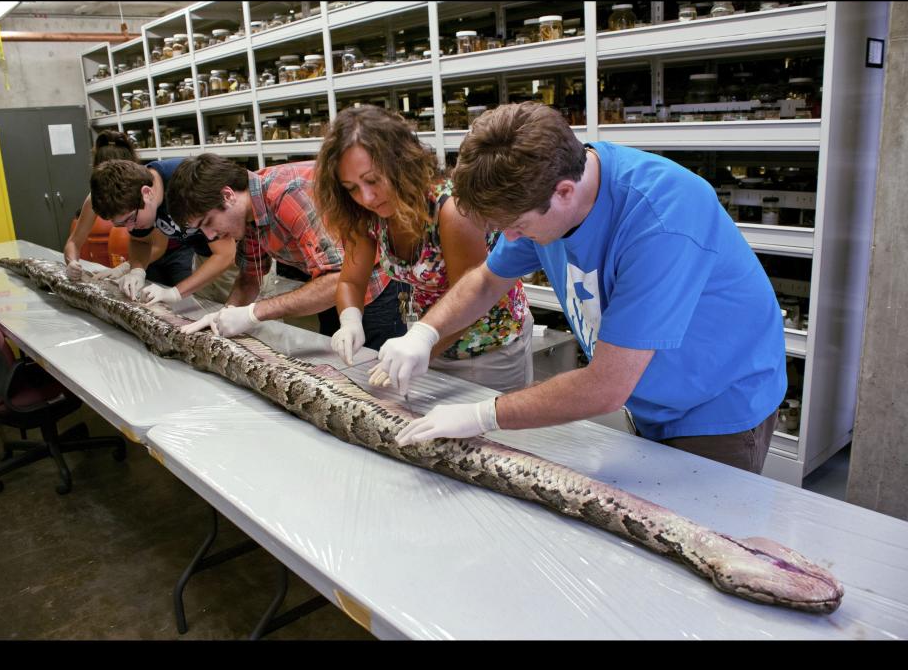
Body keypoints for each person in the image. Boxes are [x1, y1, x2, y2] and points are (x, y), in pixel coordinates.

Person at [379, 102, 787, 474]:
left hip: (718, 405)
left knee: (690, 536)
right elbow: (488, 280)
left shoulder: (663, 220)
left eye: (517, 227)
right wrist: (424, 333)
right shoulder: (544, 190)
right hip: (647, 397)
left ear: (564, 193)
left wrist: (485, 415)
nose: (513, 240)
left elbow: (606, 387)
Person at [314, 104, 533, 392]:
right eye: (351, 188)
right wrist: (350, 320)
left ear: (400, 162)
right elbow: (352, 281)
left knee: (488, 433)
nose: (366, 197)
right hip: (427, 339)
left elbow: (473, 300)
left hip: (487, 346)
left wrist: (421, 346)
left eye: (372, 180)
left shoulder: (451, 210)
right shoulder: (368, 215)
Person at [167, 153, 403, 348]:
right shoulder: (246, 214)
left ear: (227, 196)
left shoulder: (289, 194)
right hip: (330, 296)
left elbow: (337, 280)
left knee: (377, 376)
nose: (210, 236)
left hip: (372, 290)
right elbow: (250, 276)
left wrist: (253, 313)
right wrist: (225, 315)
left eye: (208, 222)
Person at [88, 158, 236, 304]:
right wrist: (137, 270)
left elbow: (226, 254)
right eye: (122, 224)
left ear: (146, 193)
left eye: (130, 219)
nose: (130, 228)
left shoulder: (185, 184)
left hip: (238, 255)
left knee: (235, 316)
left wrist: (175, 292)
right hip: (202, 256)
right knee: (204, 311)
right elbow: (140, 241)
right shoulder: (134, 197)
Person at [62, 130, 138, 280]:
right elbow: (74, 242)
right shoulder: (95, 199)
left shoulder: (146, 192)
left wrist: (128, 268)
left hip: (164, 257)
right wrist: (72, 262)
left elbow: (156, 246)